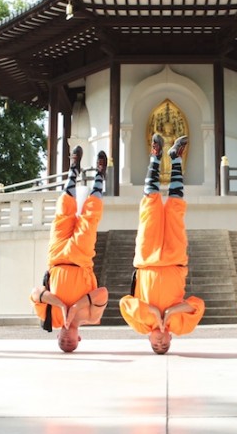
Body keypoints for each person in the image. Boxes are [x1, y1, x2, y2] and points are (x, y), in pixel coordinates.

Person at [119, 133, 205, 354]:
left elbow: (125, 303)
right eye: (164, 344)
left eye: (156, 344)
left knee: (150, 208)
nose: (161, 341)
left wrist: (155, 313)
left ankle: (155, 158)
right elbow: (197, 305)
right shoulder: (180, 326)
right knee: (176, 208)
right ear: (170, 340)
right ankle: (175, 157)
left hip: (147, 260)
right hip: (175, 261)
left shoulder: (140, 325)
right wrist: (170, 313)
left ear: (149, 339)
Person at [30, 146, 109, 352]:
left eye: (61, 342)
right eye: (70, 342)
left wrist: (60, 305)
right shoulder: (91, 317)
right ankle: (100, 176)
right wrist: (75, 307)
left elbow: (36, 293)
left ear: (57, 335)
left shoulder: (49, 317)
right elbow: (102, 293)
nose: (66, 339)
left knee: (62, 214)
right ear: (79, 338)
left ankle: (73, 169)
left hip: (56, 258)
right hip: (81, 260)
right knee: (89, 219)